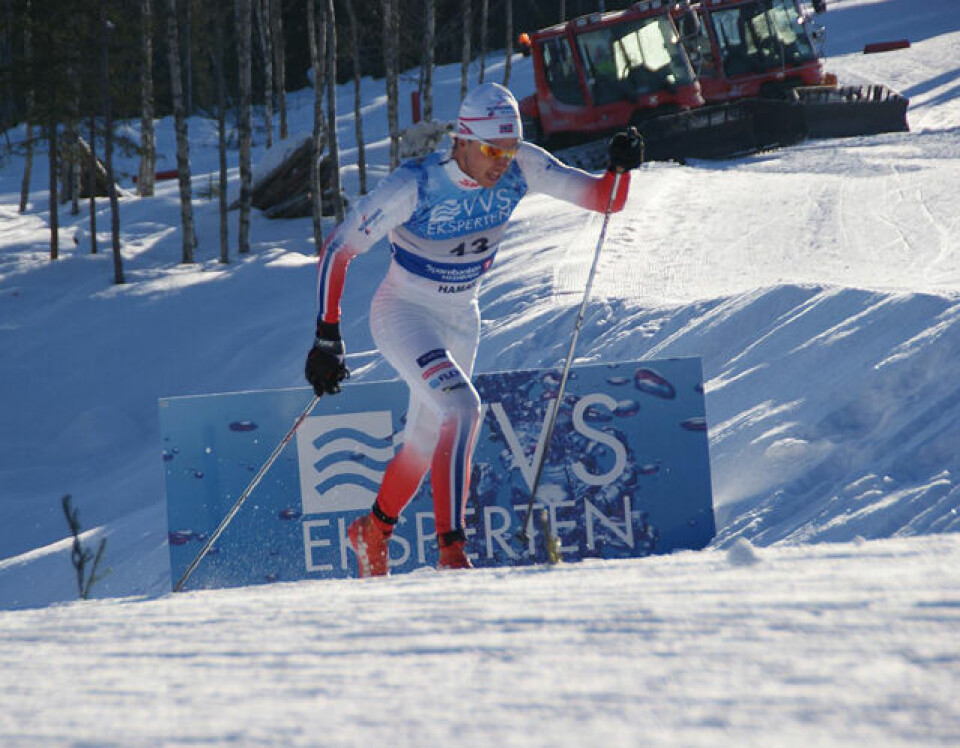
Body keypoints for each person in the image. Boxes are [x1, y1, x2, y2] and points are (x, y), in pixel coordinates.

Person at [305, 82, 643, 577]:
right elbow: (339, 249)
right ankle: (452, 554)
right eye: (491, 150)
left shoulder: (522, 166)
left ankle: (373, 531)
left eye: (509, 149)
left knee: (423, 444)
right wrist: (327, 335)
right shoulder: (415, 184)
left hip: (462, 319)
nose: (501, 162)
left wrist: (620, 169)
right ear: (461, 140)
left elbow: (603, 199)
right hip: (404, 312)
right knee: (463, 408)